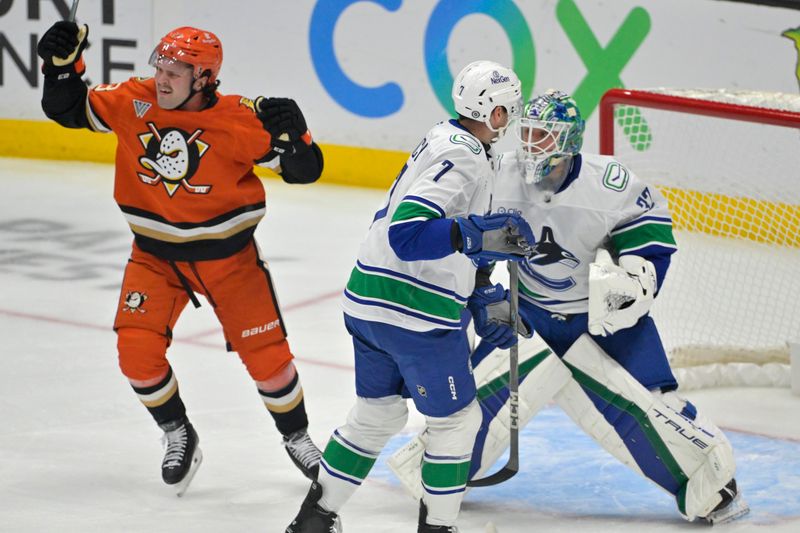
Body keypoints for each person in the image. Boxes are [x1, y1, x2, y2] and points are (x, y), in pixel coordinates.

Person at [391, 90, 750, 525]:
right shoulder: (499, 175)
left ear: (569, 141)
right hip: (528, 314)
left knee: (657, 406)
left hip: (601, 320)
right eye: (527, 133)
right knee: (470, 406)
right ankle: (437, 475)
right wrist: (482, 290)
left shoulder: (608, 182)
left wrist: (636, 273)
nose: (530, 144)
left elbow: (648, 229)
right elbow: (464, 236)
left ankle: (711, 487)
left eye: (543, 136)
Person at [36, 22, 325, 495]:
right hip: (153, 257)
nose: (162, 79)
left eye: (175, 72)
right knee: (135, 355)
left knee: (270, 361)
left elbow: (304, 172)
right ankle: (177, 431)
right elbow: (67, 109)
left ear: (205, 78)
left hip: (229, 261)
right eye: (160, 67)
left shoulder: (240, 120)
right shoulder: (135, 100)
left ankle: (298, 437)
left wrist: (297, 137)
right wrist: (60, 68)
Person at [285, 61, 534, 533]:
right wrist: (471, 236)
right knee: (457, 423)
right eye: (507, 109)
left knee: (376, 415)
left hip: (367, 301)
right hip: (415, 315)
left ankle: (313, 522)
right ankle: (438, 528)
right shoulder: (466, 156)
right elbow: (409, 233)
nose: (510, 117)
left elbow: (455, 232)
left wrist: (479, 291)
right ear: (494, 111)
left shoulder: (447, 137)